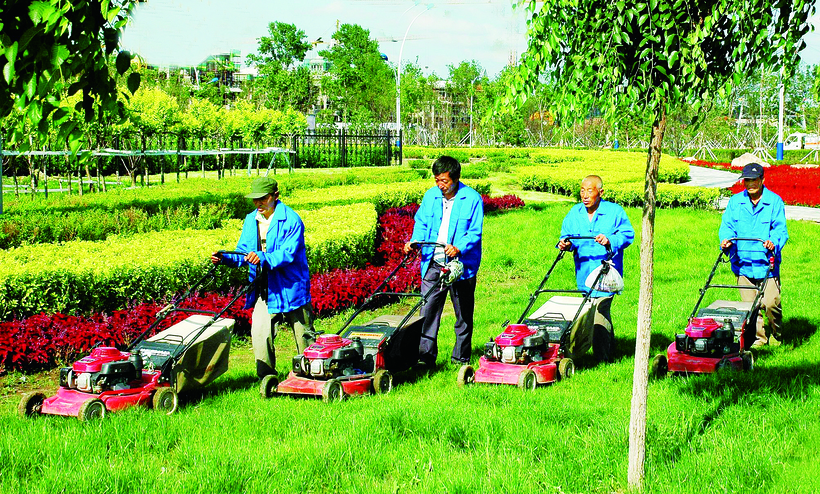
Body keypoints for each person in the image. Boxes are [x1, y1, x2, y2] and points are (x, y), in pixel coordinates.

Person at [211, 177, 314, 379]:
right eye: (254, 199)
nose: (258, 203)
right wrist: (224, 258)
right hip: (265, 289)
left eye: (263, 198)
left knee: (304, 337)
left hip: (291, 287)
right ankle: (267, 378)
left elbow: (288, 254)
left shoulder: (292, 220)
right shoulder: (251, 220)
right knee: (259, 333)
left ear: (275, 196)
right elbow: (243, 252)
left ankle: (312, 374)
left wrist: (263, 257)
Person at [404, 156, 484, 366]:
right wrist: (415, 241)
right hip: (433, 262)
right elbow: (421, 222)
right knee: (427, 312)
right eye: (437, 180)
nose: (440, 185)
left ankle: (460, 358)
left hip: (460, 267)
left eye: (444, 181)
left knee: (463, 316)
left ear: (456, 178)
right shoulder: (431, 196)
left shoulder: (472, 198)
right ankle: (425, 358)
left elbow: (474, 232)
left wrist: (459, 247)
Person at [557, 175, 634, 363]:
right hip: (584, 275)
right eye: (582, 190)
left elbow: (627, 235)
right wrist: (564, 244)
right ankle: (607, 349)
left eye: (589, 191)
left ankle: (602, 359)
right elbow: (566, 235)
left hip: (607, 275)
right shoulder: (575, 213)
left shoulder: (614, 212)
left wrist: (610, 240)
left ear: (601, 192)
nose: (584, 195)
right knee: (593, 312)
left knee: (600, 311)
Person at [719, 162, 788, 349]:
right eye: (747, 180)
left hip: (767, 264)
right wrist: (725, 240)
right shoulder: (735, 202)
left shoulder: (774, 202)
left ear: (762, 180)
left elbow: (781, 230)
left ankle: (777, 334)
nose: (751, 184)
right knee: (751, 308)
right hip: (743, 263)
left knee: (771, 302)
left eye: (754, 180)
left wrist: (773, 242)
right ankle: (760, 339)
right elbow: (727, 226)